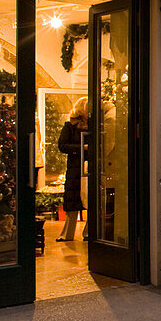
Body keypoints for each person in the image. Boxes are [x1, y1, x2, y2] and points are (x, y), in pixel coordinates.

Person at [57, 98, 88, 242]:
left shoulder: (94, 124)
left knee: (90, 198)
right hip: (75, 167)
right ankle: (67, 234)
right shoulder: (69, 126)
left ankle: (89, 233)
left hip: (89, 166)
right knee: (72, 198)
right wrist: (81, 148)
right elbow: (62, 145)